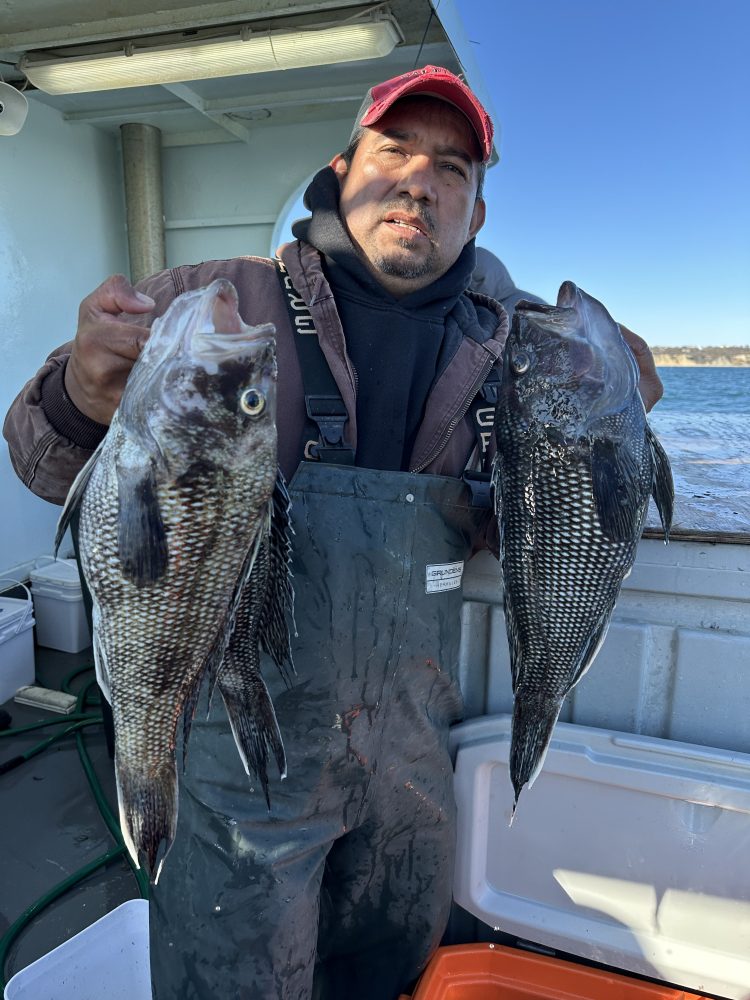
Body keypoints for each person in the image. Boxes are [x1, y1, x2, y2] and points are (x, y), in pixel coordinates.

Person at [3, 65, 663, 1000]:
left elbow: (520, 531)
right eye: (395, 151)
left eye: (452, 169)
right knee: (230, 974)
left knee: (389, 971)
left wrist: (619, 428)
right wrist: (80, 391)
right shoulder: (216, 299)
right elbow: (42, 460)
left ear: (474, 215)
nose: (418, 182)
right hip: (234, 734)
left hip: (410, 757)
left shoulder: (513, 346)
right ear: (342, 169)